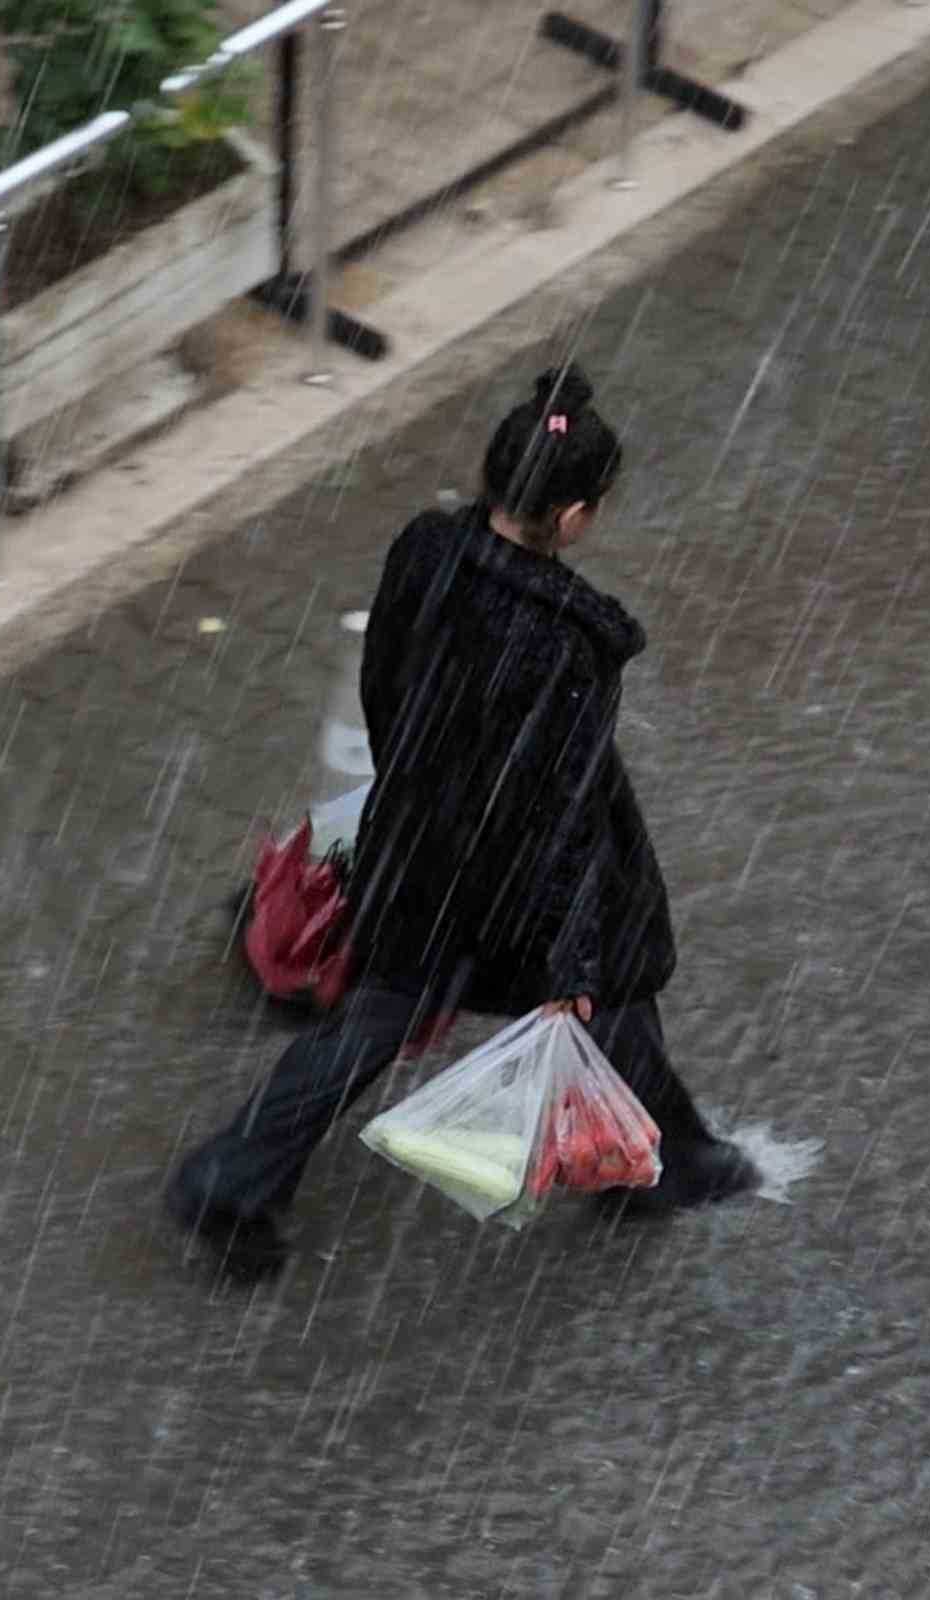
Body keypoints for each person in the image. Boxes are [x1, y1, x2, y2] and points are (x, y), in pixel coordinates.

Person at [166, 365, 760, 1283]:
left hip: (417, 847)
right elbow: (561, 814)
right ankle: (664, 1160)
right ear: (573, 517)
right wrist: (566, 963)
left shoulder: (426, 549)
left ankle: (231, 1179)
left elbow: (385, 681)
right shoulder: (565, 643)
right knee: (613, 977)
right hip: (506, 883)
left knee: (376, 1014)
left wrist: (413, 783)